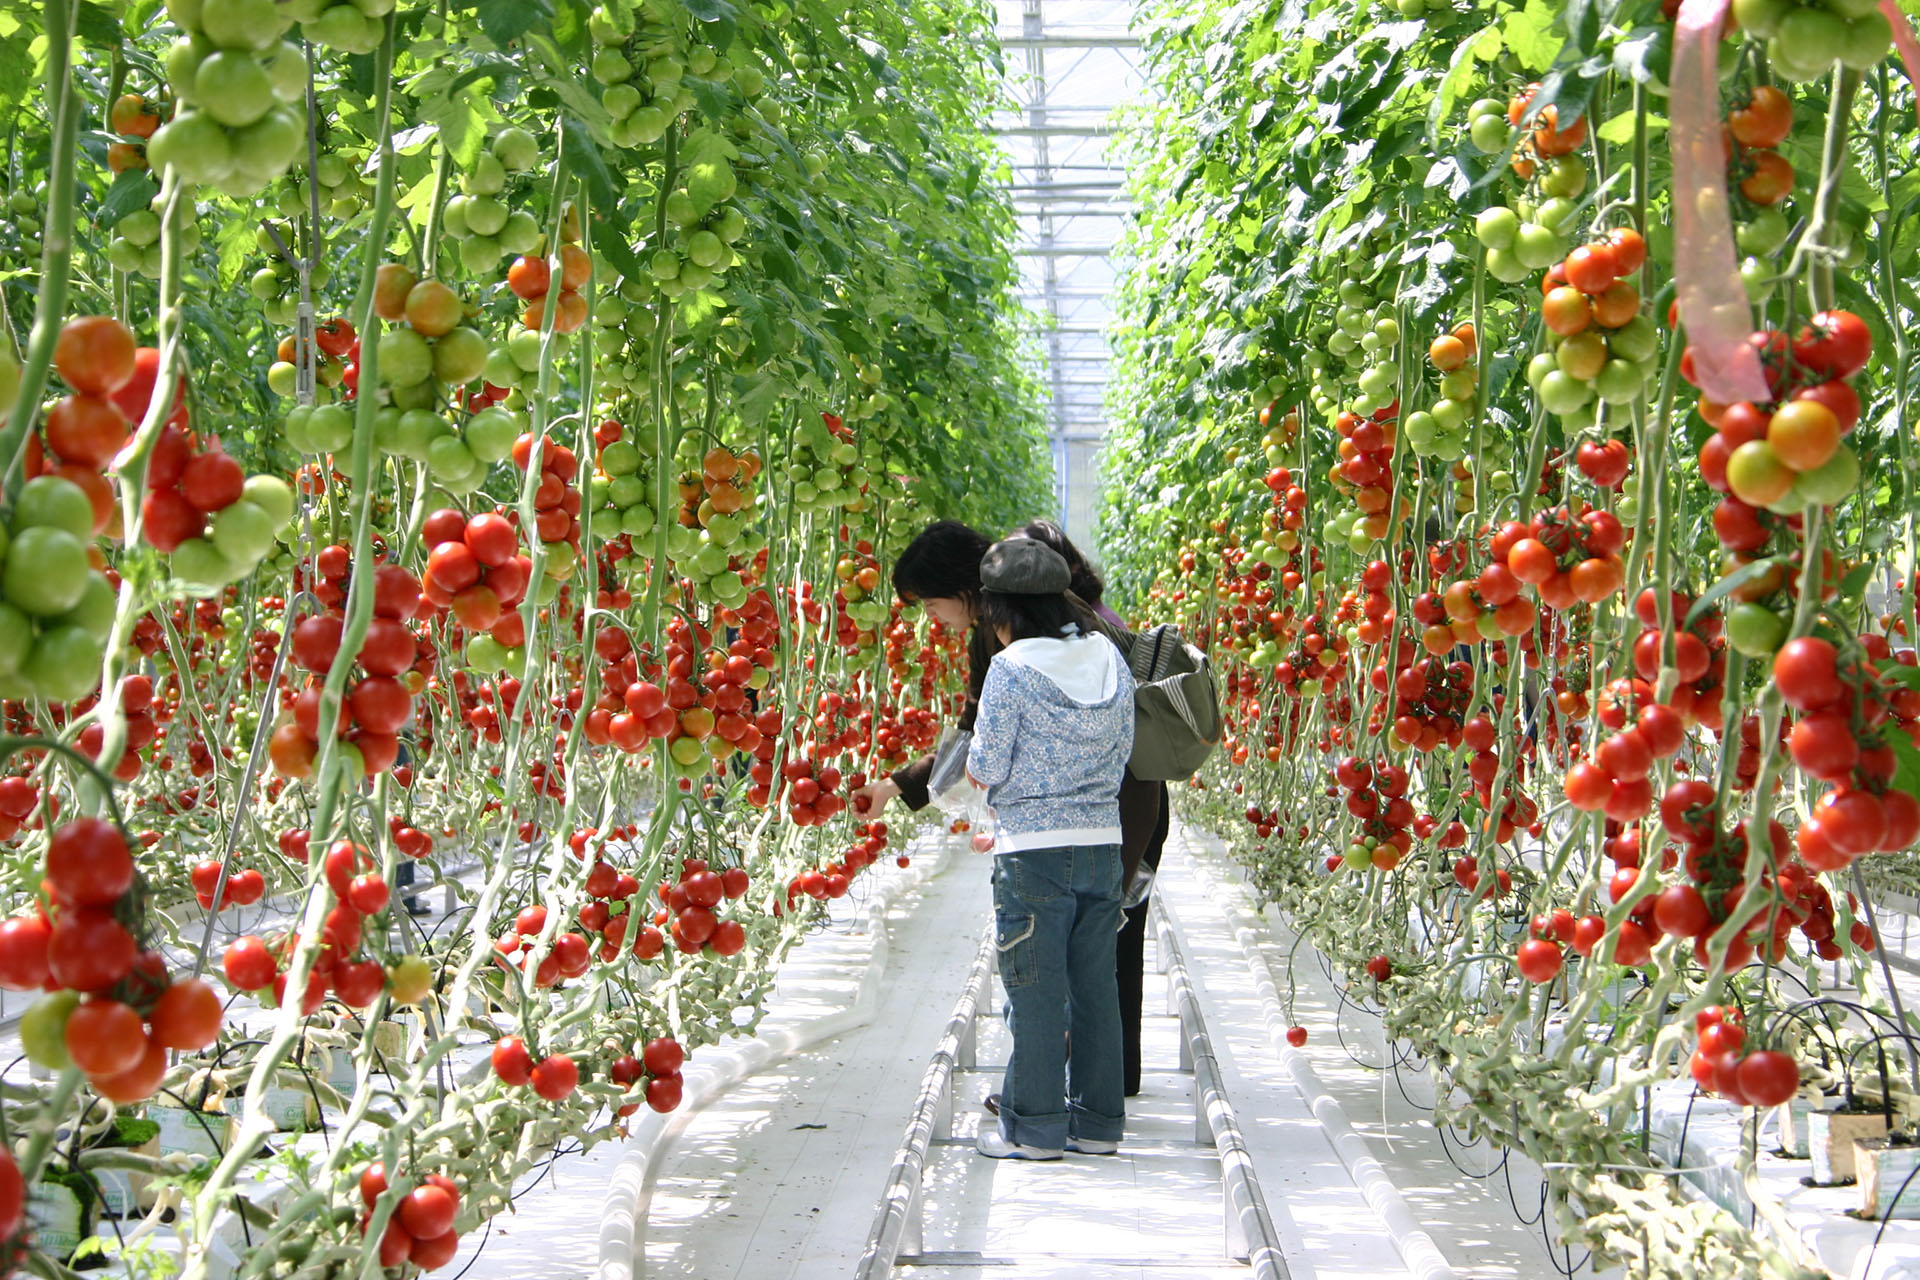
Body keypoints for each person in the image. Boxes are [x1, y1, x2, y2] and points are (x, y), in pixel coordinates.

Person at [853, 519, 1167, 1096]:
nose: (934, 620)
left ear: (964, 589)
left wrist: (931, 789)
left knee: (1047, 966)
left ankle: (1040, 1102)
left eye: (932, 604)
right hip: (1119, 811)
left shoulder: (1013, 645)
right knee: (1102, 958)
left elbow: (982, 745)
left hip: (1092, 817)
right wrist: (897, 786)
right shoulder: (1072, 627)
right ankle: (1103, 1097)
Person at [964, 538, 1133, 1159]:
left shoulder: (1011, 668)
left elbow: (986, 764)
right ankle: (1098, 1124)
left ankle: (1033, 1129)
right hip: (1102, 844)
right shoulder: (1107, 654)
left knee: (1035, 992)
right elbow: (1126, 745)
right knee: (1096, 990)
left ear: (999, 610)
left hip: (1033, 850)